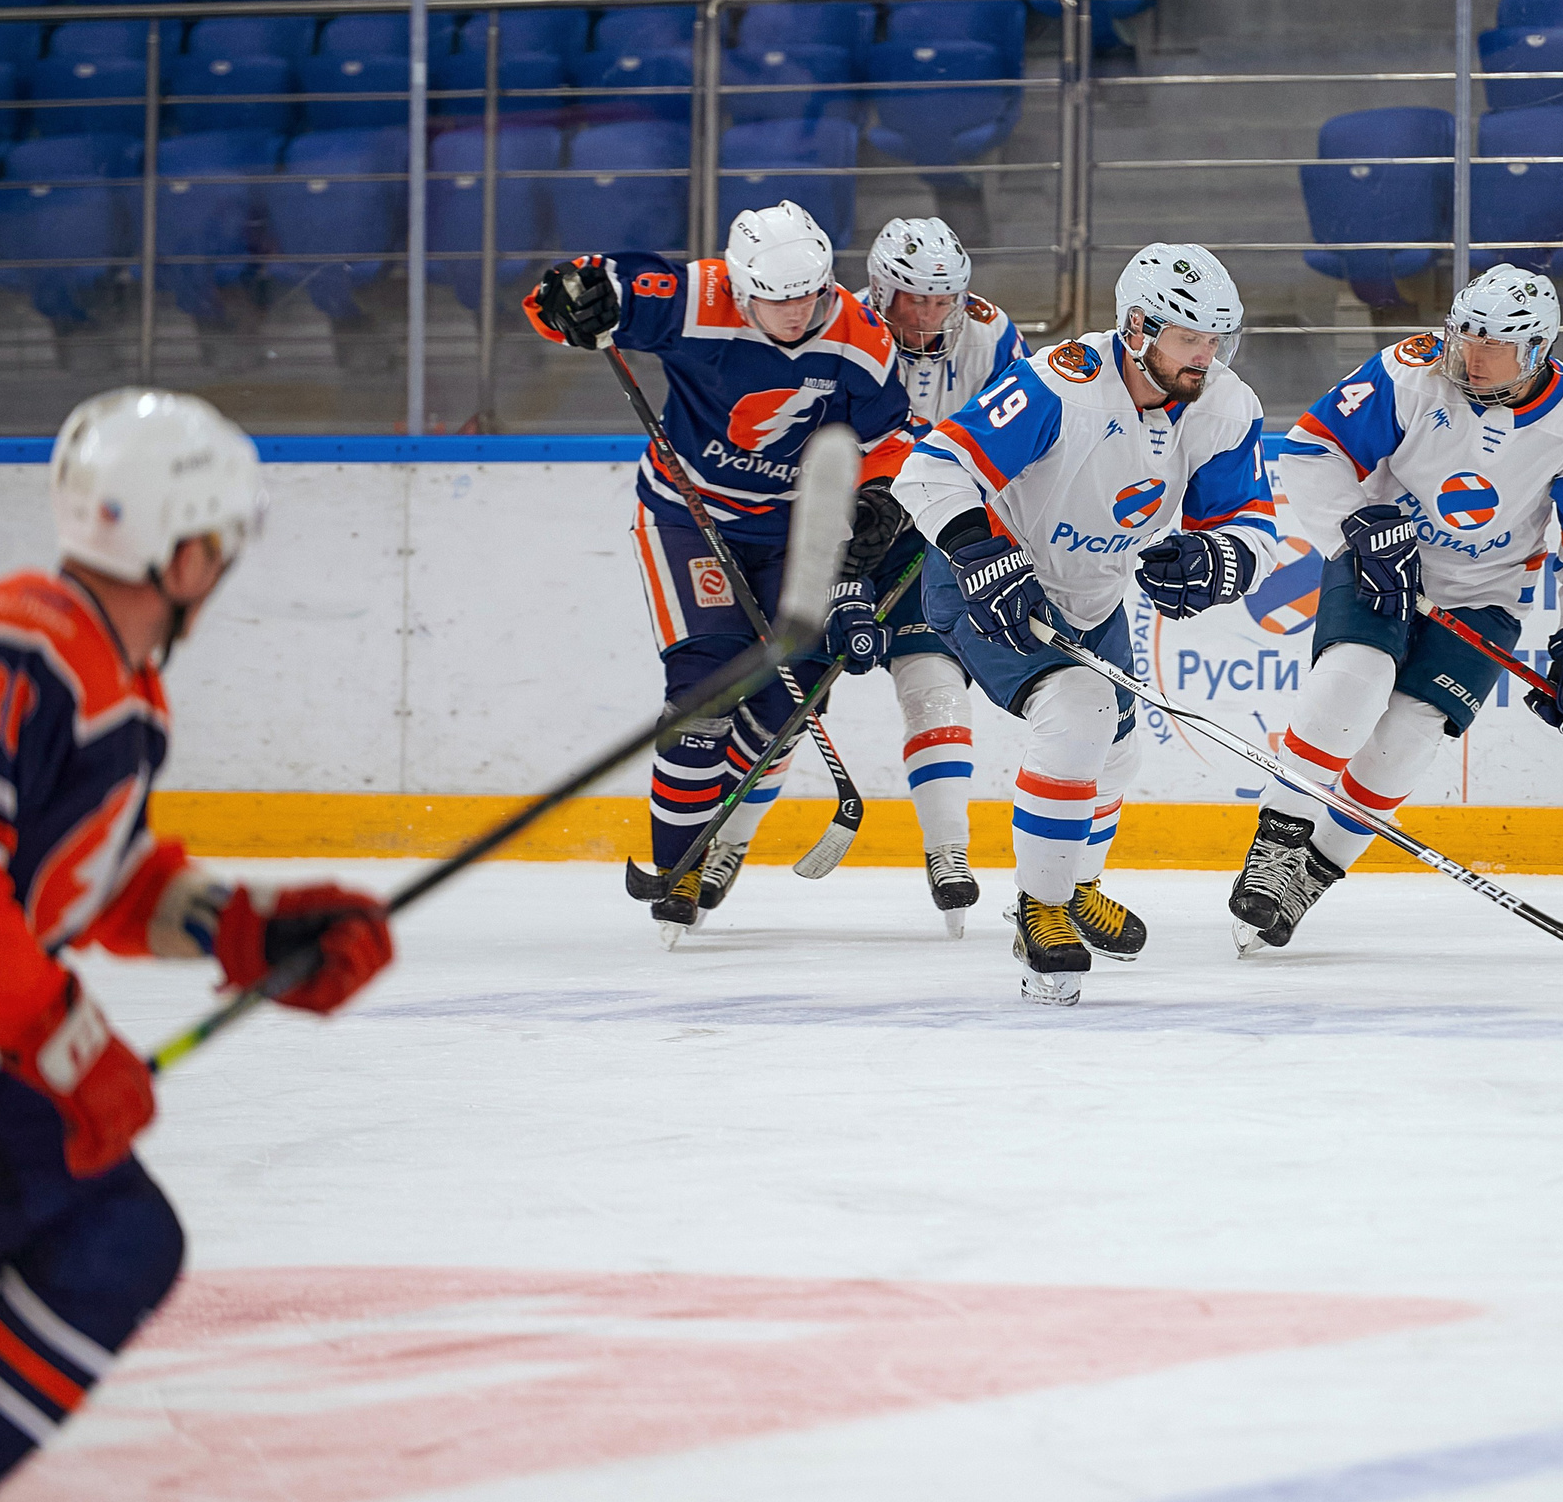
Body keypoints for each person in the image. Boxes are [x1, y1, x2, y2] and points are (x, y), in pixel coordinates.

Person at [0, 389, 393, 1502]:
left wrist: (247, 929)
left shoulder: (116, 682)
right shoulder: (22, 643)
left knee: (105, 1241)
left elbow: (101, 883)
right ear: (185, 552)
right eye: (223, 548)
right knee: (110, 1239)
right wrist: (66, 1039)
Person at [525, 201, 935, 940]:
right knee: (706, 686)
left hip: (796, 529)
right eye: (777, 298)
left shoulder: (861, 338)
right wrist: (568, 301)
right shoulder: (695, 298)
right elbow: (591, 288)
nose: (796, 310)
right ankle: (676, 864)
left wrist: (876, 494)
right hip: (689, 518)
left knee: (791, 697)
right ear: (743, 287)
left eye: (809, 293)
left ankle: (720, 825)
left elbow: (889, 438)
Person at [891, 243, 1280, 1005]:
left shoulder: (1226, 406)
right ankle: (1039, 909)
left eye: (1217, 339)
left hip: (1094, 595)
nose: (1208, 356)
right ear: (1138, 327)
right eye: (1191, 338)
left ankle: (1073, 885)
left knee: (1120, 755)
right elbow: (930, 470)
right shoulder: (1059, 385)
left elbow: (1255, 529)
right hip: (989, 582)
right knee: (1081, 712)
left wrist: (1222, 560)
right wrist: (982, 553)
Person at [1227, 265, 1563, 954]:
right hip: (1383, 563)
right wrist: (1357, 527)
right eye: (1465, 336)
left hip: (1485, 597)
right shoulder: (1409, 373)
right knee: (1350, 685)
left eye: (1493, 346)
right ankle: (1274, 853)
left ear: (1537, 349)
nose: (1470, 357)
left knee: (1406, 742)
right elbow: (1310, 452)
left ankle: (1309, 878)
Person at [850, 217, 1029, 933]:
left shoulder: (992, 335)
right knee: (785, 695)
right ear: (880, 289)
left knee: (933, 685)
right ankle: (719, 849)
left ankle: (948, 851)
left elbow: (1024, 438)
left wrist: (963, 514)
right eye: (912, 300)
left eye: (942, 299)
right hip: (846, 532)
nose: (928, 316)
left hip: (941, 535)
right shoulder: (841, 331)